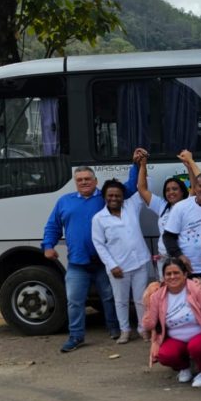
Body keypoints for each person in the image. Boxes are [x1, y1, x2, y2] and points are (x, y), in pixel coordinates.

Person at [42, 148, 145, 353]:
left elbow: (130, 187)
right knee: (74, 300)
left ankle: (115, 329)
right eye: (79, 180)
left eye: (88, 179)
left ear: (95, 181)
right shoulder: (64, 201)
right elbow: (53, 226)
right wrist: (48, 246)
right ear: (75, 182)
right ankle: (76, 336)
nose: (84, 182)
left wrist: (136, 164)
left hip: (104, 262)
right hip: (77, 262)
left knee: (109, 297)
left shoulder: (106, 197)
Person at [91, 179, 152, 344]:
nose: (114, 198)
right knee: (121, 301)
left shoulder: (131, 206)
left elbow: (144, 184)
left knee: (141, 299)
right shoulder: (99, 218)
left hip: (140, 262)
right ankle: (125, 330)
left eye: (117, 195)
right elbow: (99, 245)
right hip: (119, 267)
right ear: (104, 197)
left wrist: (142, 164)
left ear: (123, 196)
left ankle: (142, 328)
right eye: (110, 195)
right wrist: (112, 266)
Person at [142, 257, 201, 388]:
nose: (172, 277)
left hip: (200, 334)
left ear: (185, 274)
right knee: (164, 354)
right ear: (163, 277)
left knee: (196, 347)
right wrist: (148, 302)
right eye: (168, 274)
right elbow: (149, 324)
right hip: (175, 338)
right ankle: (184, 368)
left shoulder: (197, 289)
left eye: (176, 273)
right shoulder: (157, 295)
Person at [136, 150, 198, 279]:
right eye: (168, 190)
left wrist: (189, 166)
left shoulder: (189, 204)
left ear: (182, 191)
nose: (171, 192)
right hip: (164, 260)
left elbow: (195, 187)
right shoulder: (162, 206)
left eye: (175, 189)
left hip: (183, 258)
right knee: (165, 293)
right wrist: (143, 165)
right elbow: (142, 189)